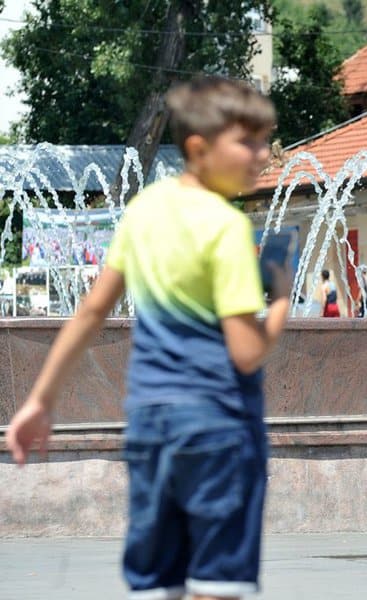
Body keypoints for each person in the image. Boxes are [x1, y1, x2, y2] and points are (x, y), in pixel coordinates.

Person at [4, 76, 292, 600]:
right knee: (216, 582)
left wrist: (39, 402)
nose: (262, 154)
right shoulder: (225, 228)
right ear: (200, 148)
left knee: (157, 581)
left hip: (151, 421)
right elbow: (247, 354)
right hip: (217, 423)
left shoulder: (144, 210)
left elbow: (92, 310)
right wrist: (279, 301)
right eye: (247, 142)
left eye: (264, 139)